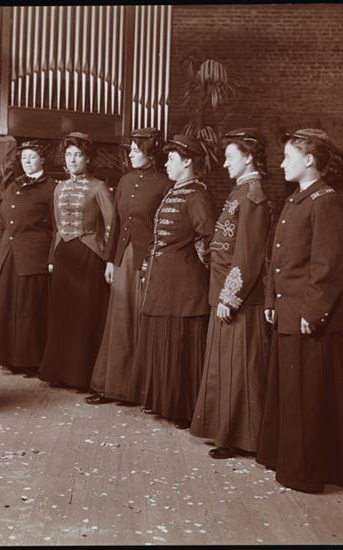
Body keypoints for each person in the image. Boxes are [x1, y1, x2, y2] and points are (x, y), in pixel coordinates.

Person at [256, 128, 343, 492]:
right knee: (292, 394)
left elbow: (329, 264)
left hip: (308, 316)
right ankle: (288, 461)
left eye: (288, 157)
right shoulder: (297, 199)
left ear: (309, 160)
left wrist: (313, 311)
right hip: (288, 311)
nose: (281, 164)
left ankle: (306, 473)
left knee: (309, 397)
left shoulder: (324, 200)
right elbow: (277, 258)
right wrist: (271, 300)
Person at [190, 128, 272, 458]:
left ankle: (243, 438)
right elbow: (227, 242)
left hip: (238, 299)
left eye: (229, 157)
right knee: (225, 368)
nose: (224, 163)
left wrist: (230, 297)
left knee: (240, 370)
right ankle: (224, 432)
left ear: (249, 156)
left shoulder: (253, 195)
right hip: (222, 289)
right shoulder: (240, 191)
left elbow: (249, 254)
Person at [131, 134, 216, 429]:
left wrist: (198, 269)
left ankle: (183, 408)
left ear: (188, 161)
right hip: (164, 281)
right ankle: (164, 402)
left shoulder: (196, 194)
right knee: (163, 339)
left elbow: (208, 237)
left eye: (172, 159)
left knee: (180, 344)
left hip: (183, 286)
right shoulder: (176, 190)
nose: (166, 163)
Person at [86, 128, 172, 406]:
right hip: (123, 259)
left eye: (136, 150)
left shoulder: (165, 184)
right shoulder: (125, 180)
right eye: (131, 150)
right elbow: (116, 226)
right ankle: (112, 385)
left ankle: (137, 390)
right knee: (119, 321)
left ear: (150, 153)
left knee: (139, 321)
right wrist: (111, 260)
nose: (131, 155)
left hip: (148, 261)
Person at [38, 132, 114, 391]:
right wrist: (52, 258)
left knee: (85, 315)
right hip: (64, 255)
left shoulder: (99, 187)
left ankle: (82, 376)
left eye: (77, 155)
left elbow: (111, 226)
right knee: (62, 314)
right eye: (68, 155)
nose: (71, 160)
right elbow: (56, 227)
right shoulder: (59, 188)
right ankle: (59, 373)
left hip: (88, 255)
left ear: (88, 158)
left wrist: (109, 260)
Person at [0, 140, 56, 377]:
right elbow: (1, 221)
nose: (27, 161)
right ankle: (8, 358)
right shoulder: (14, 185)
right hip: (10, 254)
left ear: (42, 160)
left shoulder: (51, 188)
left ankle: (30, 361)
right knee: (8, 306)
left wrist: (51, 258)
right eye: (24, 158)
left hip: (34, 255)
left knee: (29, 309)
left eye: (32, 157)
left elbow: (56, 227)